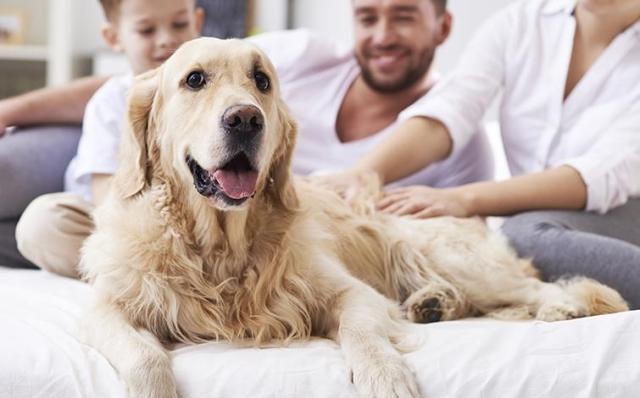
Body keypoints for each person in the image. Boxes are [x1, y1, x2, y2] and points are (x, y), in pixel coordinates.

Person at [1, 0, 494, 277]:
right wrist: (13, 109)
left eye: (404, 17)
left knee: (38, 227)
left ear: (444, 27)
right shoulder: (306, 56)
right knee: (45, 221)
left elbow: (458, 227)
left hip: (271, 221)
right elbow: (154, 80)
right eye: (368, 17)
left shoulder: (452, 134)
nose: (383, 35)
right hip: (155, 198)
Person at [333, 0, 640, 308]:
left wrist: (462, 199)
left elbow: (601, 175)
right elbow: (453, 106)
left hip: (624, 214)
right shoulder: (520, 24)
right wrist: (364, 173)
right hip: (554, 221)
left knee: (521, 237)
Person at [10, 0, 204, 277]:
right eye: (146, 30)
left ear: (197, 22)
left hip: (199, 227)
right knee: (42, 224)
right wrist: (160, 229)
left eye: (179, 24)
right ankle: (139, 278)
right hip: (116, 222)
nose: (167, 39)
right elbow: (107, 199)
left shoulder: (214, 99)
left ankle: (182, 275)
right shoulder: (111, 100)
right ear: (114, 38)